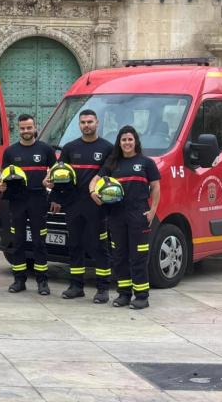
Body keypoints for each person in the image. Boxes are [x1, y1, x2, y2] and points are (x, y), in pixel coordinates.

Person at [46, 109, 113, 303]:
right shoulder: (69, 148)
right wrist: (56, 198)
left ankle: (103, 289)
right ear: (79, 125)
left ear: (97, 123)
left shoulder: (107, 148)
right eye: (83, 122)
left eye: (90, 122)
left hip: (97, 206)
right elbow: (59, 174)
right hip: (73, 204)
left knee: (99, 247)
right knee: (74, 245)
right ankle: (76, 286)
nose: (86, 125)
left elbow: (110, 176)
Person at [94, 125, 161, 310]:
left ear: (135, 141)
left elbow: (155, 187)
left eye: (130, 139)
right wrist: (94, 192)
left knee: (138, 256)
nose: (127, 143)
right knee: (120, 256)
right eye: (123, 140)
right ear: (119, 142)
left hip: (138, 214)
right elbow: (96, 180)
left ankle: (141, 296)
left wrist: (153, 210)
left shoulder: (146, 163)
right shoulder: (112, 164)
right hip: (116, 215)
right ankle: (124, 294)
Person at [0, 114, 55, 295]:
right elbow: (3, 175)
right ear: (18, 129)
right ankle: (19, 280)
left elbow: (55, 171)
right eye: (22, 128)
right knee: (18, 241)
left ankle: (42, 282)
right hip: (17, 201)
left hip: (38, 199)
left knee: (39, 242)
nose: (26, 131)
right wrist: (0, 184)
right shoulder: (11, 152)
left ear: (35, 127)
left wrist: (50, 180)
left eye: (29, 128)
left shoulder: (45, 149)